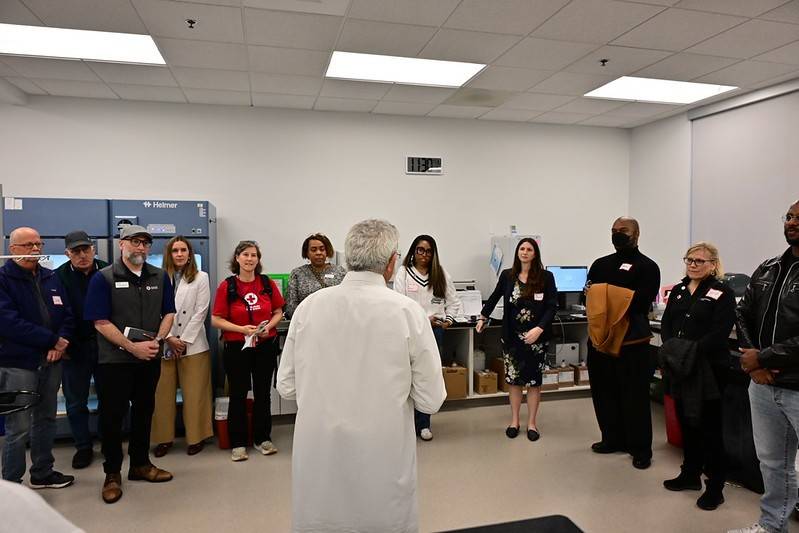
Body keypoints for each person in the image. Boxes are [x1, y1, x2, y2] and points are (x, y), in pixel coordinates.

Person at [277, 219, 446, 533]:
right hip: (383, 452)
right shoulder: (408, 312)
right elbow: (431, 399)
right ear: (391, 262)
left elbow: (286, 386)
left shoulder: (309, 308)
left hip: (320, 450)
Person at [84, 225, 176, 504]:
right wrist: (132, 347)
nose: (141, 248)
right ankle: (112, 473)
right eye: (135, 242)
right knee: (112, 417)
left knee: (145, 411)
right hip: (114, 361)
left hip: (148, 357)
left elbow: (169, 312)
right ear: (121, 244)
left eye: (146, 243)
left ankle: (140, 464)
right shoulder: (104, 278)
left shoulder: (159, 276)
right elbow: (99, 321)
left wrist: (157, 341)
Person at [728, 201, 799, 533]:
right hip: (763, 385)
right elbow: (743, 313)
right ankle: (773, 526)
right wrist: (752, 357)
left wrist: (763, 358)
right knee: (773, 464)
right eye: (789, 216)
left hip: (797, 385)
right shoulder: (768, 268)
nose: (792, 222)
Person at [659, 242, 735, 511]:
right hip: (681, 367)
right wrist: (672, 350)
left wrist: (688, 352)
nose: (692, 264)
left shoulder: (722, 292)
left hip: (708, 368)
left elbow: (720, 331)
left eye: (699, 261)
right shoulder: (679, 290)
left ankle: (715, 487)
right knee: (686, 423)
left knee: (710, 428)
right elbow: (667, 323)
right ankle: (690, 475)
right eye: (689, 259)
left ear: (713, 264)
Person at [0, 227, 74, 488]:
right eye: (28, 244)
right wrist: (50, 340)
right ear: (13, 249)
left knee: (46, 419)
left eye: (38, 244)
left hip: (52, 359)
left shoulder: (50, 276)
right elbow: (8, 323)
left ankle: (43, 473)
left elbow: (67, 314)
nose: (35, 249)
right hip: (18, 363)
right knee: (17, 428)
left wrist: (61, 343)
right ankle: (11, 486)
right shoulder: (3, 279)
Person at [585, 217, 660, 469]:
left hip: (632, 341)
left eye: (623, 231)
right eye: (614, 231)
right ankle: (612, 438)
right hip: (599, 339)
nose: (618, 234)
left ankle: (640, 448)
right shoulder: (600, 264)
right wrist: (610, 296)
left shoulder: (648, 267)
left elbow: (640, 302)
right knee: (603, 392)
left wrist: (604, 294)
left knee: (634, 396)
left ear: (637, 233)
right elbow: (590, 296)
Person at [476, 238, 556, 442]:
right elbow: (493, 297)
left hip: (535, 339)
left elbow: (551, 307)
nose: (525, 252)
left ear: (535, 253)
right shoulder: (507, 276)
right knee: (513, 381)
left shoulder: (546, 277)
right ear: (517, 252)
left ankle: (531, 423)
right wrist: (483, 317)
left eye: (529, 249)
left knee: (533, 382)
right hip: (512, 337)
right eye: (522, 248)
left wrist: (539, 329)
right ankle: (514, 421)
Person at [211, 240, 284, 462]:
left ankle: (263, 438)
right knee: (238, 394)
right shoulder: (227, 286)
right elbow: (216, 319)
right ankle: (238, 443)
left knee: (263, 393)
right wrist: (242, 329)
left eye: (254, 255)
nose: (250, 259)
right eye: (245, 255)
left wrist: (267, 328)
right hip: (237, 347)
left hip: (264, 346)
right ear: (237, 259)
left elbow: (278, 310)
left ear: (258, 260)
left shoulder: (267, 283)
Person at [394, 234, 462, 441]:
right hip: (408, 331)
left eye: (428, 251)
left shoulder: (440, 274)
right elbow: (398, 304)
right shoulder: (404, 273)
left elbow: (454, 301)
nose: (424, 254)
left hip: (434, 333)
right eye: (420, 250)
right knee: (405, 377)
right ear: (414, 252)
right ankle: (404, 425)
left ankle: (424, 424)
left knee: (427, 377)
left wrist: (448, 320)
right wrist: (424, 319)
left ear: (433, 254)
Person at [150, 237, 213, 457]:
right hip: (165, 342)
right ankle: (163, 439)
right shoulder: (156, 277)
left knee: (195, 393)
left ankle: (196, 437)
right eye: (175, 250)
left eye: (183, 250)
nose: (179, 254)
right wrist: (168, 337)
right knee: (162, 394)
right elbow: (153, 311)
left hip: (193, 343)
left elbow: (201, 311)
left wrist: (183, 340)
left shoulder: (201, 277)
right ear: (169, 253)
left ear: (189, 253)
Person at [55, 230, 108, 469]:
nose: (82, 255)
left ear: (93, 249)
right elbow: (53, 314)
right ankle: (83, 447)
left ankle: (109, 442)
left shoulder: (108, 271)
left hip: (107, 346)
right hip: (74, 349)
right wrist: (59, 342)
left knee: (110, 399)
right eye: (76, 251)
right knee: (76, 402)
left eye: (86, 249)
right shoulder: (57, 277)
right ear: (67, 253)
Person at [285, 233, 346, 318]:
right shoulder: (297, 273)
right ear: (307, 253)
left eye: (322, 249)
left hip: (335, 321)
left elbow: (346, 300)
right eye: (313, 250)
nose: (318, 253)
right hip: (307, 323)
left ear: (327, 251)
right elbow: (290, 306)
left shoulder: (340, 272)